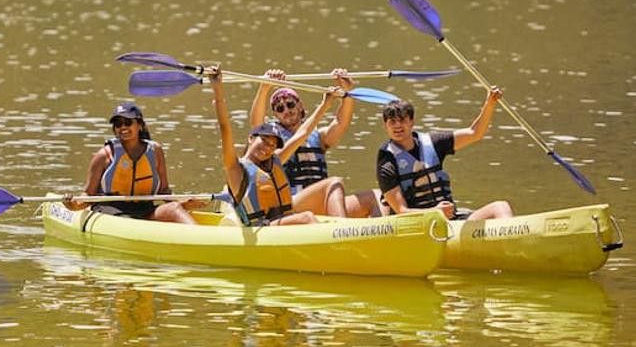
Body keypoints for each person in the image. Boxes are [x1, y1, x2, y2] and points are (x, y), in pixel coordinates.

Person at [209, 66, 348, 226]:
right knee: (307, 218)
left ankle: (338, 233)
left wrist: (325, 104)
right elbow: (225, 126)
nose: (268, 148)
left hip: (281, 222)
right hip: (262, 228)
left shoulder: (275, 160)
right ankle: (338, 238)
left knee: (307, 217)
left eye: (273, 145)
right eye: (265, 141)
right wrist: (218, 90)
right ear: (251, 138)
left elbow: (302, 134)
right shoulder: (235, 167)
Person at [250, 69, 381, 217]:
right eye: (280, 108)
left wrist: (347, 93)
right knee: (334, 182)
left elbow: (341, 122)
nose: (286, 110)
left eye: (290, 104)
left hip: (323, 200)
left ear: (300, 106)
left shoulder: (318, 136)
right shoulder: (272, 141)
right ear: (276, 115)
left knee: (375, 196)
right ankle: (342, 231)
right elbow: (256, 125)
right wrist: (264, 87)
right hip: (293, 204)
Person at [376, 87, 513, 221]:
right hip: (416, 225)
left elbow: (475, 133)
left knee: (500, 207)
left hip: (450, 220)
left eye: (402, 120)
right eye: (392, 122)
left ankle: (510, 240)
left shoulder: (433, 142)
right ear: (385, 126)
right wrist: (435, 212)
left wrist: (490, 104)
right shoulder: (387, 162)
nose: (397, 126)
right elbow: (401, 211)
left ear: (412, 122)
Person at [63, 102, 203, 224]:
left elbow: (164, 191)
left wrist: (183, 203)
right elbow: (89, 195)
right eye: (118, 124)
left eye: (128, 122)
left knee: (174, 209)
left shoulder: (155, 151)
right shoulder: (103, 155)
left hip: (144, 209)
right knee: (127, 219)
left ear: (140, 125)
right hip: (111, 210)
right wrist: (74, 206)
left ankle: (200, 238)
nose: (123, 127)